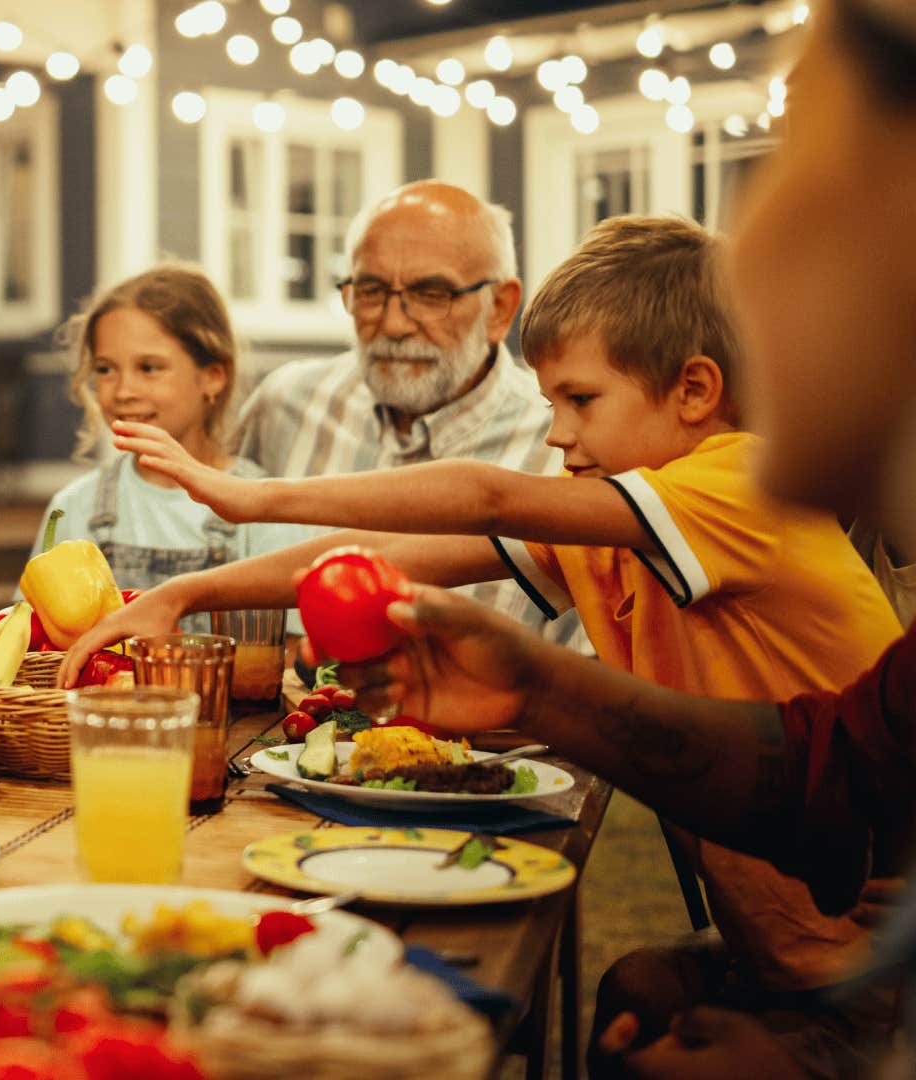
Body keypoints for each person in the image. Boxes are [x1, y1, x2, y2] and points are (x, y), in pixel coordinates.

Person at [65, 214, 903, 1076]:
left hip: (871, 969)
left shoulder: (742, 484)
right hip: (778, 949)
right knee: (634, 993)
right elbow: (378, 559)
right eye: (549, 405)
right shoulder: (616, 522)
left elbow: (489, 499)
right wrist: (188, 591)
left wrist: (250, 496)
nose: (557, 435)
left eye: (580, 401)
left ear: (693, 391)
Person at [291, 2, 916, 1072]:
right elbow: (820, 776)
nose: (753, 240)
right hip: (819, 966)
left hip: (849, 988)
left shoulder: (718, 488)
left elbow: (491, 504)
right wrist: (534, 689)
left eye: (804, 150)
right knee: (632, 990)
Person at [234, 180, 583, 648]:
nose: (394, 324)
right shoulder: (287, 405)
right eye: (371, 290)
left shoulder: (561, 447)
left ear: (500, 308)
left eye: (431, 294)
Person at [28, 265, 310, 612]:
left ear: (213, 376)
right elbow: (37, 637)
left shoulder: (265, 511)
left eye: (149, 368)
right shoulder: (73, 507)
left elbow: (288, 651)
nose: (124, 391)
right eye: (105, 369)